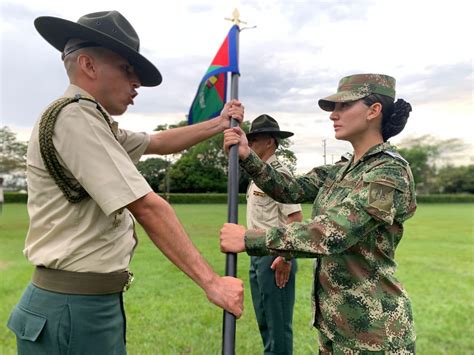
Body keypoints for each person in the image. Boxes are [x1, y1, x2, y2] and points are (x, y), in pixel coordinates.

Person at [7, 10, 244, 354]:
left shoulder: (92, 120)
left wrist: (218, 123)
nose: (136, 82)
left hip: (85, 303)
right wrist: (212, 283)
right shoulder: (75, 116)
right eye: (126, 69)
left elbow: (157, 143)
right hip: (73, 308)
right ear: (88, 65)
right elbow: (147, 207)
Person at [221, 74, 417, 354]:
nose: (333, 115)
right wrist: (247, 155)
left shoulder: (389, 174)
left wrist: (249, 239)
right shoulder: (341, 169)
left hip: (375, 334)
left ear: (374, 111)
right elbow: (289, 189)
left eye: (344, 107)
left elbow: (335, 232)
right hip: (336, 326)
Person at [245, 114, 303, 355]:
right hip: (257, 255)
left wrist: (286, 257)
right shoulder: (260, 174)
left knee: (278, 327)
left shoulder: (279, 174)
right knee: (266, 323)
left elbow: (295, 219)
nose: (249, 145)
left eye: (254, 140)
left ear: (269, 142)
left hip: (275, 257)